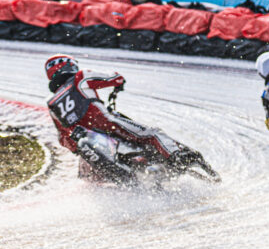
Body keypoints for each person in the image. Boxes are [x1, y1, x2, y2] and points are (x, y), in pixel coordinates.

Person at [45, 55, 191, 181]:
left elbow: (63, 138)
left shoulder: (52, 104)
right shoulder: (80, 77)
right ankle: (176, 157)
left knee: (87, 178)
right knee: (152, 133)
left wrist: (76, 147)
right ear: (69, 66)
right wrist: (118, 83)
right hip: (105, 123)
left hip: (89, 143)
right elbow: (114, 78)